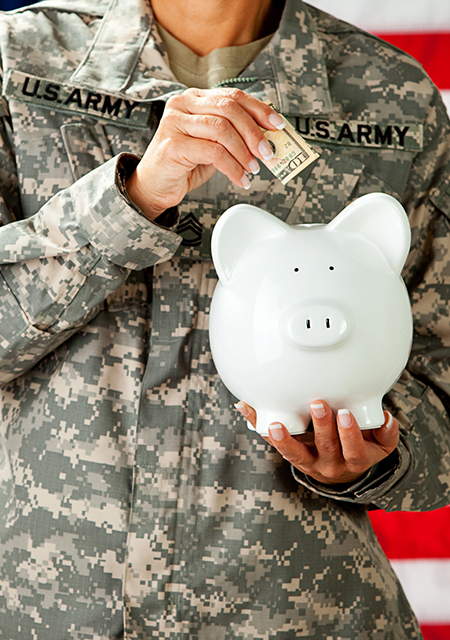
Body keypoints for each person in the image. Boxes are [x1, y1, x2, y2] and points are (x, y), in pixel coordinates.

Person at [0, 0, 449, 637]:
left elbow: (442, 395)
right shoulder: (16, 62)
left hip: (298, 618)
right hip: (46, 614)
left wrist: (375, 454)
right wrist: (131, 201)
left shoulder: (393, 97)